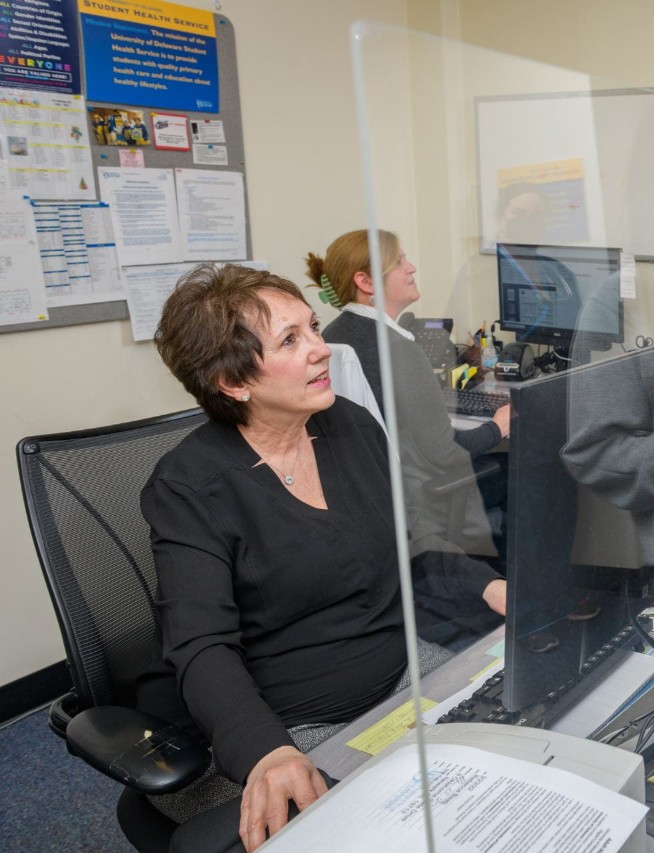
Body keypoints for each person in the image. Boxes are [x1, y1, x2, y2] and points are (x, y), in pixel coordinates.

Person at [135, 265, 506, 851]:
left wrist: (494, 589)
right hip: (293, 723)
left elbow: (411, 546)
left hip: (403, 675)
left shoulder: (349, 426)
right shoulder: (189, 486)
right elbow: (200, 645)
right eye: (291, 340)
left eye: (313, 328)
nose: (321, 350)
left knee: (513, 764)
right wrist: (268, 750)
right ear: (234, 382)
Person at [307, 230, 509, 639]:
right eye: (399, 261)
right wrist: (497, 426)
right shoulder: (399, 348)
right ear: (365, 282)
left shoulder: (333, 335)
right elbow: (445, 451)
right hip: (418, 500)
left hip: (373, 496)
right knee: (511, 470)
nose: (411, 267)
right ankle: (510, 603)